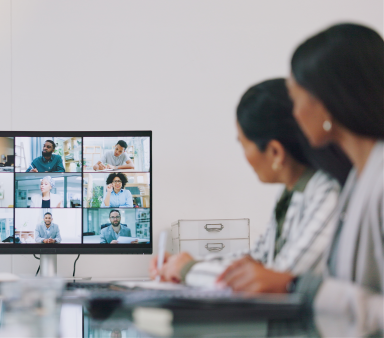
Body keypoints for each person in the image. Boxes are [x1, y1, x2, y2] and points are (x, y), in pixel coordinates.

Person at [150, 78, 351, 290]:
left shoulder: (328, 194)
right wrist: (183, 263)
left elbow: (275, 278)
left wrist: (188, 269)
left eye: (244, 145)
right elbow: (259, 257)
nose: (244, 156)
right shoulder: (291, 192)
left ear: (275, 152)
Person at [283, 23, 383, 332]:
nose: (295, 113)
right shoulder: (357, 177)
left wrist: (299, 287)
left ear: (326, 101)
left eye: (297, 99)